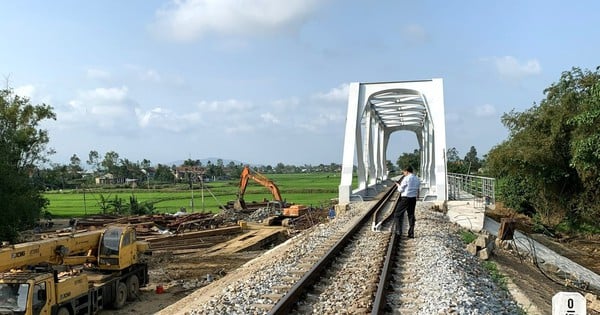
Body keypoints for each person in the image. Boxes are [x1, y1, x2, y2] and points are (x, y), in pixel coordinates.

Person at [394, 166, 420, 238]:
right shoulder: (417, 178)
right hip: (413, 199)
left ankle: (399, 231)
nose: (404, 174)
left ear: (407, 171)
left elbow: (400, 190)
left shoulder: (406, 178)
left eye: (404, 172)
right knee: (411, 215)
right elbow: (418, 189)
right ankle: (411, 233)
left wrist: (398, 185)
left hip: (405, 198)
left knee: (397, 214)